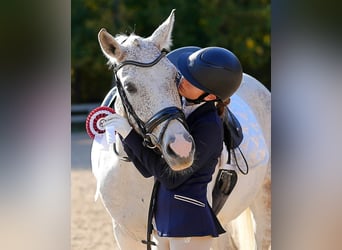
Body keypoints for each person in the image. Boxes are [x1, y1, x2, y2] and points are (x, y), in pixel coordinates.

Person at [104, 46, 243, 250]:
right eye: (184, 75)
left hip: (190, 225)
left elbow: (170, 177)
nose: (182, 80)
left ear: (211, 97)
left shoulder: (208, 127)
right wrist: (125, 132)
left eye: (192, 82)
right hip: (166, 225)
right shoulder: (180, 117)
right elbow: (146, 169)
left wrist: (130, 135)